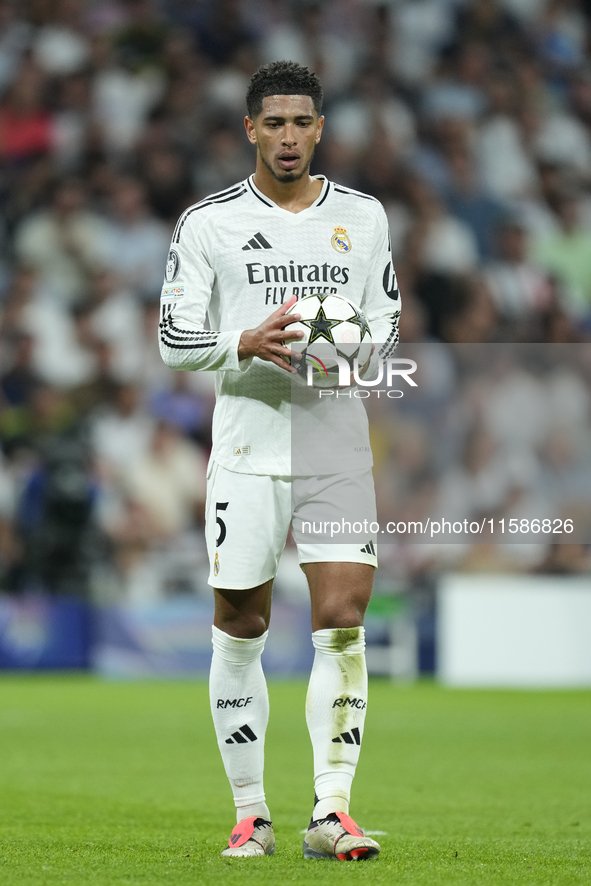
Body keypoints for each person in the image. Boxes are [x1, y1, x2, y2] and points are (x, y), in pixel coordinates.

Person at [159, 60, 401, 861]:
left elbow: (386, 326)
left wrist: (340, 348)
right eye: (275, 123)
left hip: (333, 441)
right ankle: (250, 812)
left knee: (342, 625)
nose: (288, 136)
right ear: (249, 130)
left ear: (320, 129)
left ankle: (331, 811)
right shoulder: (207, 223)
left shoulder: (363, 218)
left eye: (302, 122)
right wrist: (245, 340)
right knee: (241, 626)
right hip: (246, 445)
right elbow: (172, 337)